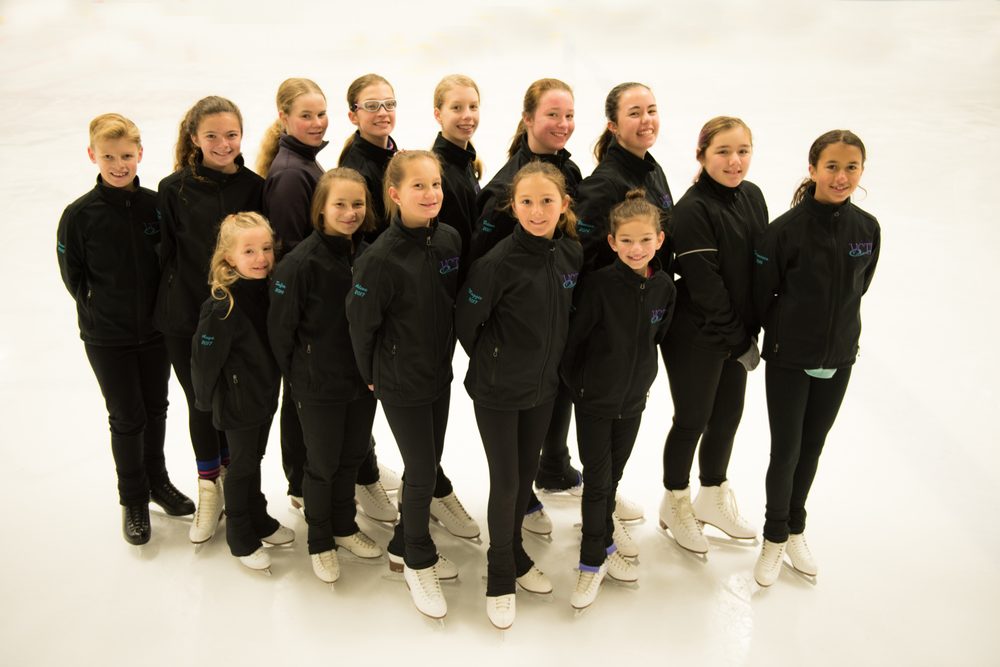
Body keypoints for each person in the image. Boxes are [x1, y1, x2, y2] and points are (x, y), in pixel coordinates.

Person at [456, 161, 583, 629]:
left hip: (543, 389)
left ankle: (516, 553)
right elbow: (467, 326)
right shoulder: (495, 265)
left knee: (524, 475)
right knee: (507, 482)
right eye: (526, 201)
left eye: (547, 201)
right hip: (497, 390)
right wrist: (496, 359)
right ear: (513, 206)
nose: (536, 210)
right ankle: (500, 574)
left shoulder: (571, 254)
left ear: (564, 205)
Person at [57, 113, 193, 546]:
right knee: (127, 417)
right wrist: (101, 309)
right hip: (107, 337)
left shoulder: (156, 206)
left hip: (155, 332)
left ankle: (158, 481)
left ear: (140, 155)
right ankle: (132, 498)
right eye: (109, 156)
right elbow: (73, 275)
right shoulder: (79, 215)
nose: (119, 165)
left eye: (127, 156)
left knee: (156, 408)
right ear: (92, 155)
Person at [752, 130, 879, 587]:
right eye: (832, 167)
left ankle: (795, 529)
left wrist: (837, 337)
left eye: (851, 167)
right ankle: (773, 537)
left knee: (813, 447)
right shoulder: (784, 231)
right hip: (789, 358)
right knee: (785, 451)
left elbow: (858, 290)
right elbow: (763, 296)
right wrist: (790, 333)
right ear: (812, 169)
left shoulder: (867, 228)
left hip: (840, 357)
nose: (841, 177)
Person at [346, 151, 463, 620]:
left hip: (439, 374)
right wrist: (372, 374)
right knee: (419, 472)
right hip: (399, 380)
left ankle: (400, 542)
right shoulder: (379, 259)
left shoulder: (450, 240)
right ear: (394, 194)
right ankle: (417, 558)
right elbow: (360, 326)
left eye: (434, 184)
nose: (430, 193)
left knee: (429, 465)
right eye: (418, 186)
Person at [470, 78, 584, 533]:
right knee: (519, 428)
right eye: (552, 114)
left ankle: (552, 468)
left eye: (569, 115)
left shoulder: (566, 170)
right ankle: (521, 497)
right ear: (528, 119)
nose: (562, 124)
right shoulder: (504, 190)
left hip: (556, 316)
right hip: (515, 340)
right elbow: (484, 276)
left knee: (553, 401)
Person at [656, 116, 768, 555]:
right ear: (701, 155)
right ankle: (675, 503)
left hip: (737, 332)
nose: (734, 161)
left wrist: (754, 331)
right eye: (722, 151)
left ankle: (711, 495)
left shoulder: (752, 196)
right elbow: (707, 287)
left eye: (743, 151)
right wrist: (740, 343)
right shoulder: (693, 210)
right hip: (696, 334)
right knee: (692, 420)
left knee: (727, 418)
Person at [155, 96, 263, 544]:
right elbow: (163, 253)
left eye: (232, 135)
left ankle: (241, 496)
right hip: (185, 318)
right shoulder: (172, 188)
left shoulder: (254, 186)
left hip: (240, 319)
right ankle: (209, 489)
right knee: (201, 402)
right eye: (213, 136)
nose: (223, 144)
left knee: (237, 406)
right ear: (195, 138)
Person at [268, 168, 384, 584]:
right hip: (318, 385)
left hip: (362, 381)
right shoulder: (299, 264)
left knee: (352, 457)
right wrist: (303, 376)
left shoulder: (370, 254)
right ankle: (320, 539)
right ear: (321, 208)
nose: (350, 212)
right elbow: (280, 334)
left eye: (357, 204)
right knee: (321, 464)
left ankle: (344, 525)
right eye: (340, 204)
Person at [561, 191, 675, 610]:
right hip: (594, 401)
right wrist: (583, 388)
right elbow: (573, 347)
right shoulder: (598, 286)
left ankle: (604, 538)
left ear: (659, 240)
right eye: (626, 240)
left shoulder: (663, 288)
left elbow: (655, 339)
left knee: (614, 475)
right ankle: (592, 561)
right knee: (597, 480)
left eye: (644, 240)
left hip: (634, 401)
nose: (636, 248)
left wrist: (640, 382)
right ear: (611, 242)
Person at [573, 81, 676, 529]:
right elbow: (583, 258)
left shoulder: (651, 170)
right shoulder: (604, 183)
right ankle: (598, 517)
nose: (646, 119)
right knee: (599, 445)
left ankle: (604, 501)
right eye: (635, 113)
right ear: (613, 125)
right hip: (608, 327)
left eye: (651, 110)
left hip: (643, 312)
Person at [191, 212, 294, 573]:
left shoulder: (267, 291)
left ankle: (258, 517)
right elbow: (203, 362)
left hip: (264, 395)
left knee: (254, 459)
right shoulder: (221, 305)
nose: (261, 258)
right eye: (249, 251)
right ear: (229, 257)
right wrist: (205, 403)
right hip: (237, 401)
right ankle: (240, 533)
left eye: (266, 248)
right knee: (242, 465)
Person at [256, 77, 329, 515]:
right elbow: (292, 257)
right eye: (306, 115)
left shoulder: (304, 164)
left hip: (315, 307)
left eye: (321, 114)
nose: (317, 123)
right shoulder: (289, 175)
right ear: (284, 117)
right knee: (301, 397)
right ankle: (301, 482)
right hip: (306, 312)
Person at [431, 74, 483, 282]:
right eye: (457, 108)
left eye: (473, 106)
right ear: (438, 114)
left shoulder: (466, 159)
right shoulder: (439, 172)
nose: (468, 116)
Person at [338, 73, 399, 239]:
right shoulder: (356, 173)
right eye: (372, 106)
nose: (382, 112)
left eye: (389, 104)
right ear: (353, 117)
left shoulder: (393, 154)